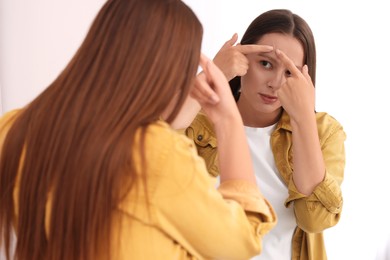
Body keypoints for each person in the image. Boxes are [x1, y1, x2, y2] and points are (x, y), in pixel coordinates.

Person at [0, 0, 277, 259]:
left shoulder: (13, 128)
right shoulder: (155, 152)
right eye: (184, 68)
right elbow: (241, 239)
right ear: (163, 71)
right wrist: (228, 121)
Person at [185, 9, 346, 260]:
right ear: (241, 60)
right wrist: (212, 76)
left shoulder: (323, 131)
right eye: (266, 63)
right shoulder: (196, 121)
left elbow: (314, 220)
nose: (275, 83)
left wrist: (303, 118)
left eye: (289, 72)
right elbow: (144, 149)